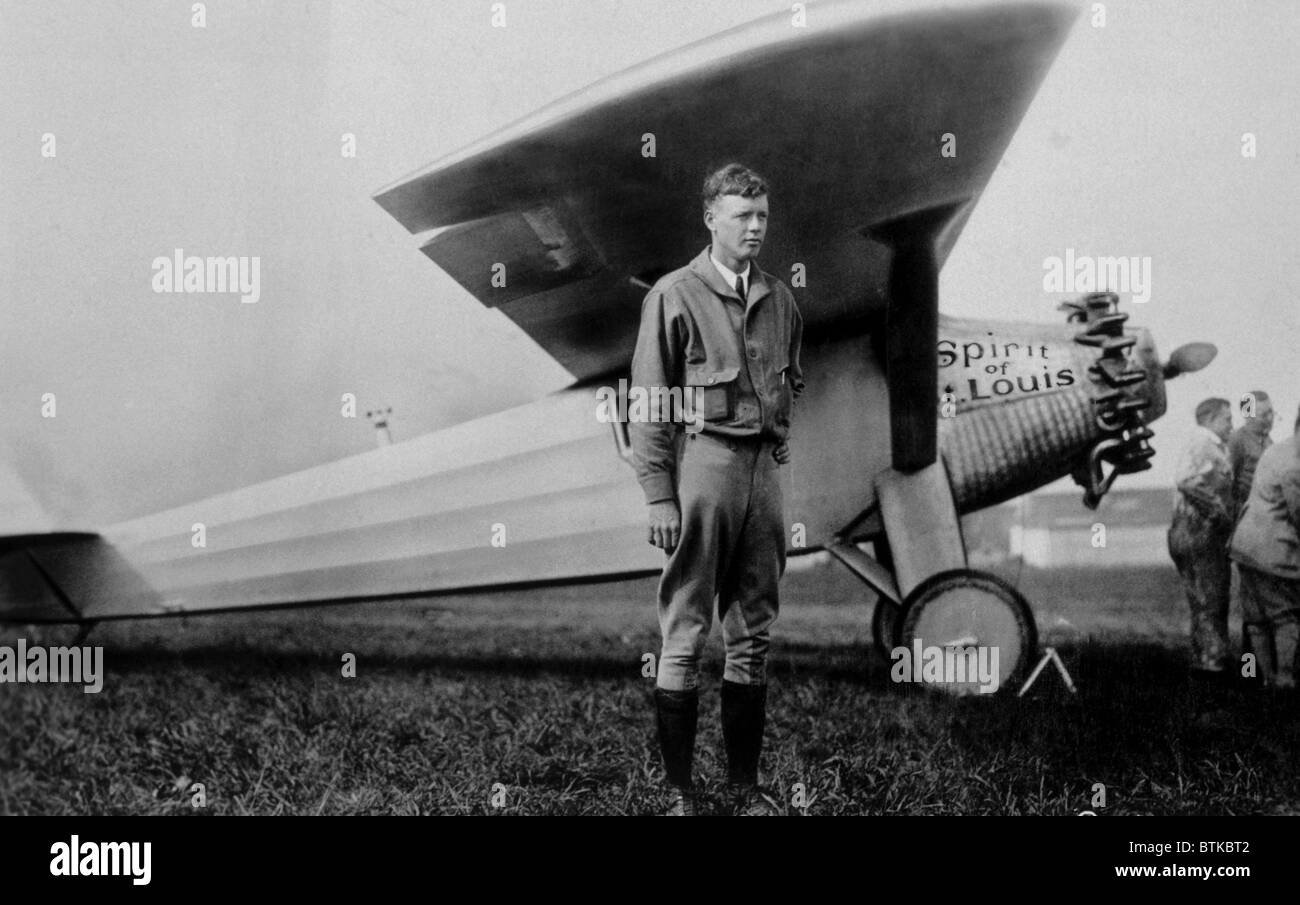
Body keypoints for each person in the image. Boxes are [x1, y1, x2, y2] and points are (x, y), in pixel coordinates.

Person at [629, 163, 804, 816]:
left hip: (764, 473)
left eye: (762, 216)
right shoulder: (674, 295)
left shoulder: (780, 298)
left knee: (753, 632)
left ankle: (743, 788)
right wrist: (659, 493)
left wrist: (779, 437)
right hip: (705, 466)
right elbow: (651, 401)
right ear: (711, 219)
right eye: (742, 216)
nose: (756, 227)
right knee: (686, 629)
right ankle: (680, 795)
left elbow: (789, 377)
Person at [1229, 405, 1300, 688]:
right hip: (1272, 551)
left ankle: (1267, 680)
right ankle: (1285, 679)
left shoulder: (1276, 449)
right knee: (1286, 615)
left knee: (1257, 618)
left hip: (1246, 545)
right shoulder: (1294, 463)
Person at [1168, 397, 1234, 675]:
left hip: (1192, 530)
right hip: (1198, 531)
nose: (1231, 425)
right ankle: (1212, 661)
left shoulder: (1207, 444)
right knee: (1210, 598)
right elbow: (1185, 479)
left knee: (1202, 599)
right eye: (1227, 419)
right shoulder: (1203, 443)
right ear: (1210, 419)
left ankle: (1204, 657)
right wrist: (1217, 510)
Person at [1228, 390, 1274, 523]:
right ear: (1248, 416)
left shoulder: (1269, 441)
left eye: (1271, 412)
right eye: (1264, 415)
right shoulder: (1237, 440)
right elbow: (1229, 483)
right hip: (1245, 516)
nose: (1270, 418)